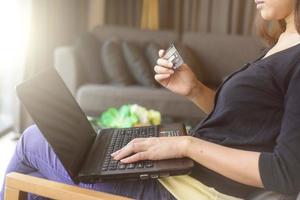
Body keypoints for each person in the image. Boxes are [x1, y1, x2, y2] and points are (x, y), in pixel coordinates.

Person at [1, 0, 300, 199]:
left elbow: (285, 173)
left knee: (33, 140)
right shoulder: (281, 44)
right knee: (35, 179)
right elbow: (246, 127)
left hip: (191, 190)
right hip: (183, 174)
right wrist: (194, 89)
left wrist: (186, 144)